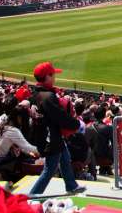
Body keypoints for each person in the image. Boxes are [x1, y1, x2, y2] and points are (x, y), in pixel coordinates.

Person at [29, 62, 86, 195]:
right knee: (49, 169)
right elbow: (60, 117)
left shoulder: (36, 93)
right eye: (53, 74)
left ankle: (71, 186)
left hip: (46, 135)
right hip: (50, 138)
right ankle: (32, 195)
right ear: (47, 77)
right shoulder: (48, 96)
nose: (55, 77)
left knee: (65, 158)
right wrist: (76, 124)